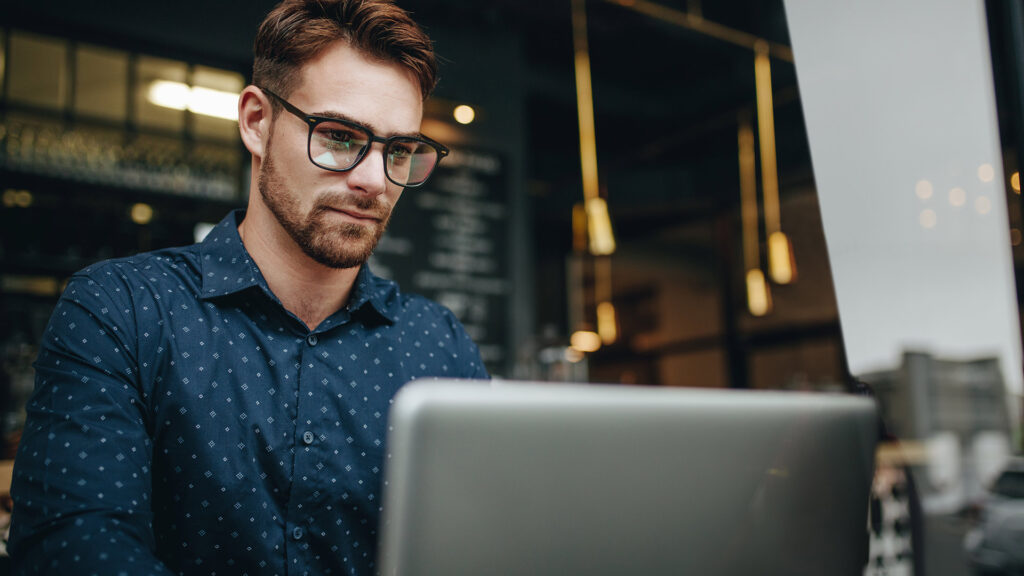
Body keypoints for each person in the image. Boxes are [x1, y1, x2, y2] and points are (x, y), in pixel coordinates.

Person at [8, 1, 489, 574]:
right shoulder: (122, 310)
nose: (372, 181)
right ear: (257, 122)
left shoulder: (438, 345)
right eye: (339, 136)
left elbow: (484, 542)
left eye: (401, 151)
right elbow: (73, 549)